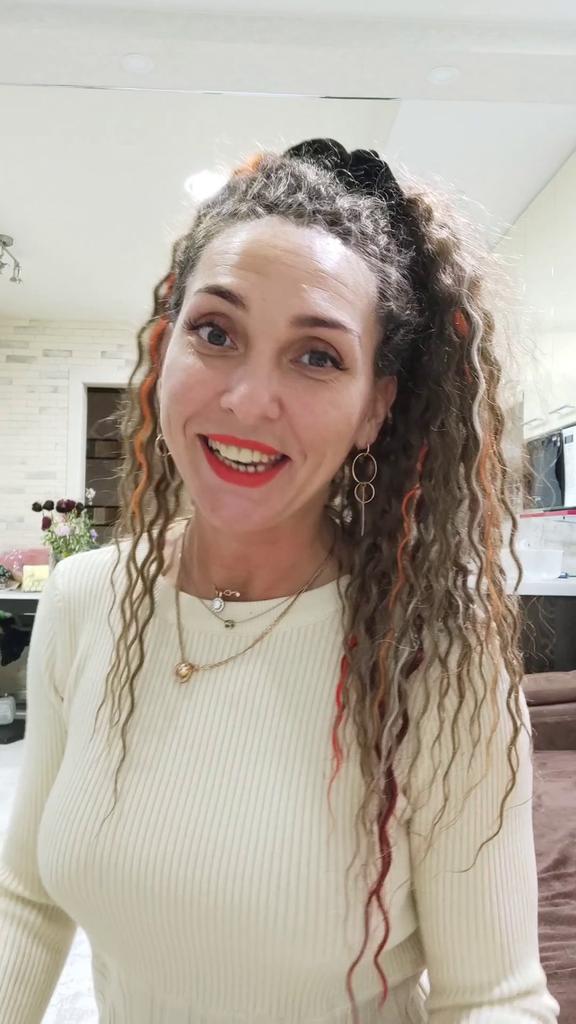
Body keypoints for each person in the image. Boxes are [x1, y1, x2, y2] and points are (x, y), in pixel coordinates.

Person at [0, 138, 560, 1024]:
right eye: (216, 334)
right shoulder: (86, 599)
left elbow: (494, 999)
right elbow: (26, 900)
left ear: (375, 407)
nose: (248, 401)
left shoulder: (436, 656)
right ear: (164, 349)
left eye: (317, 357)